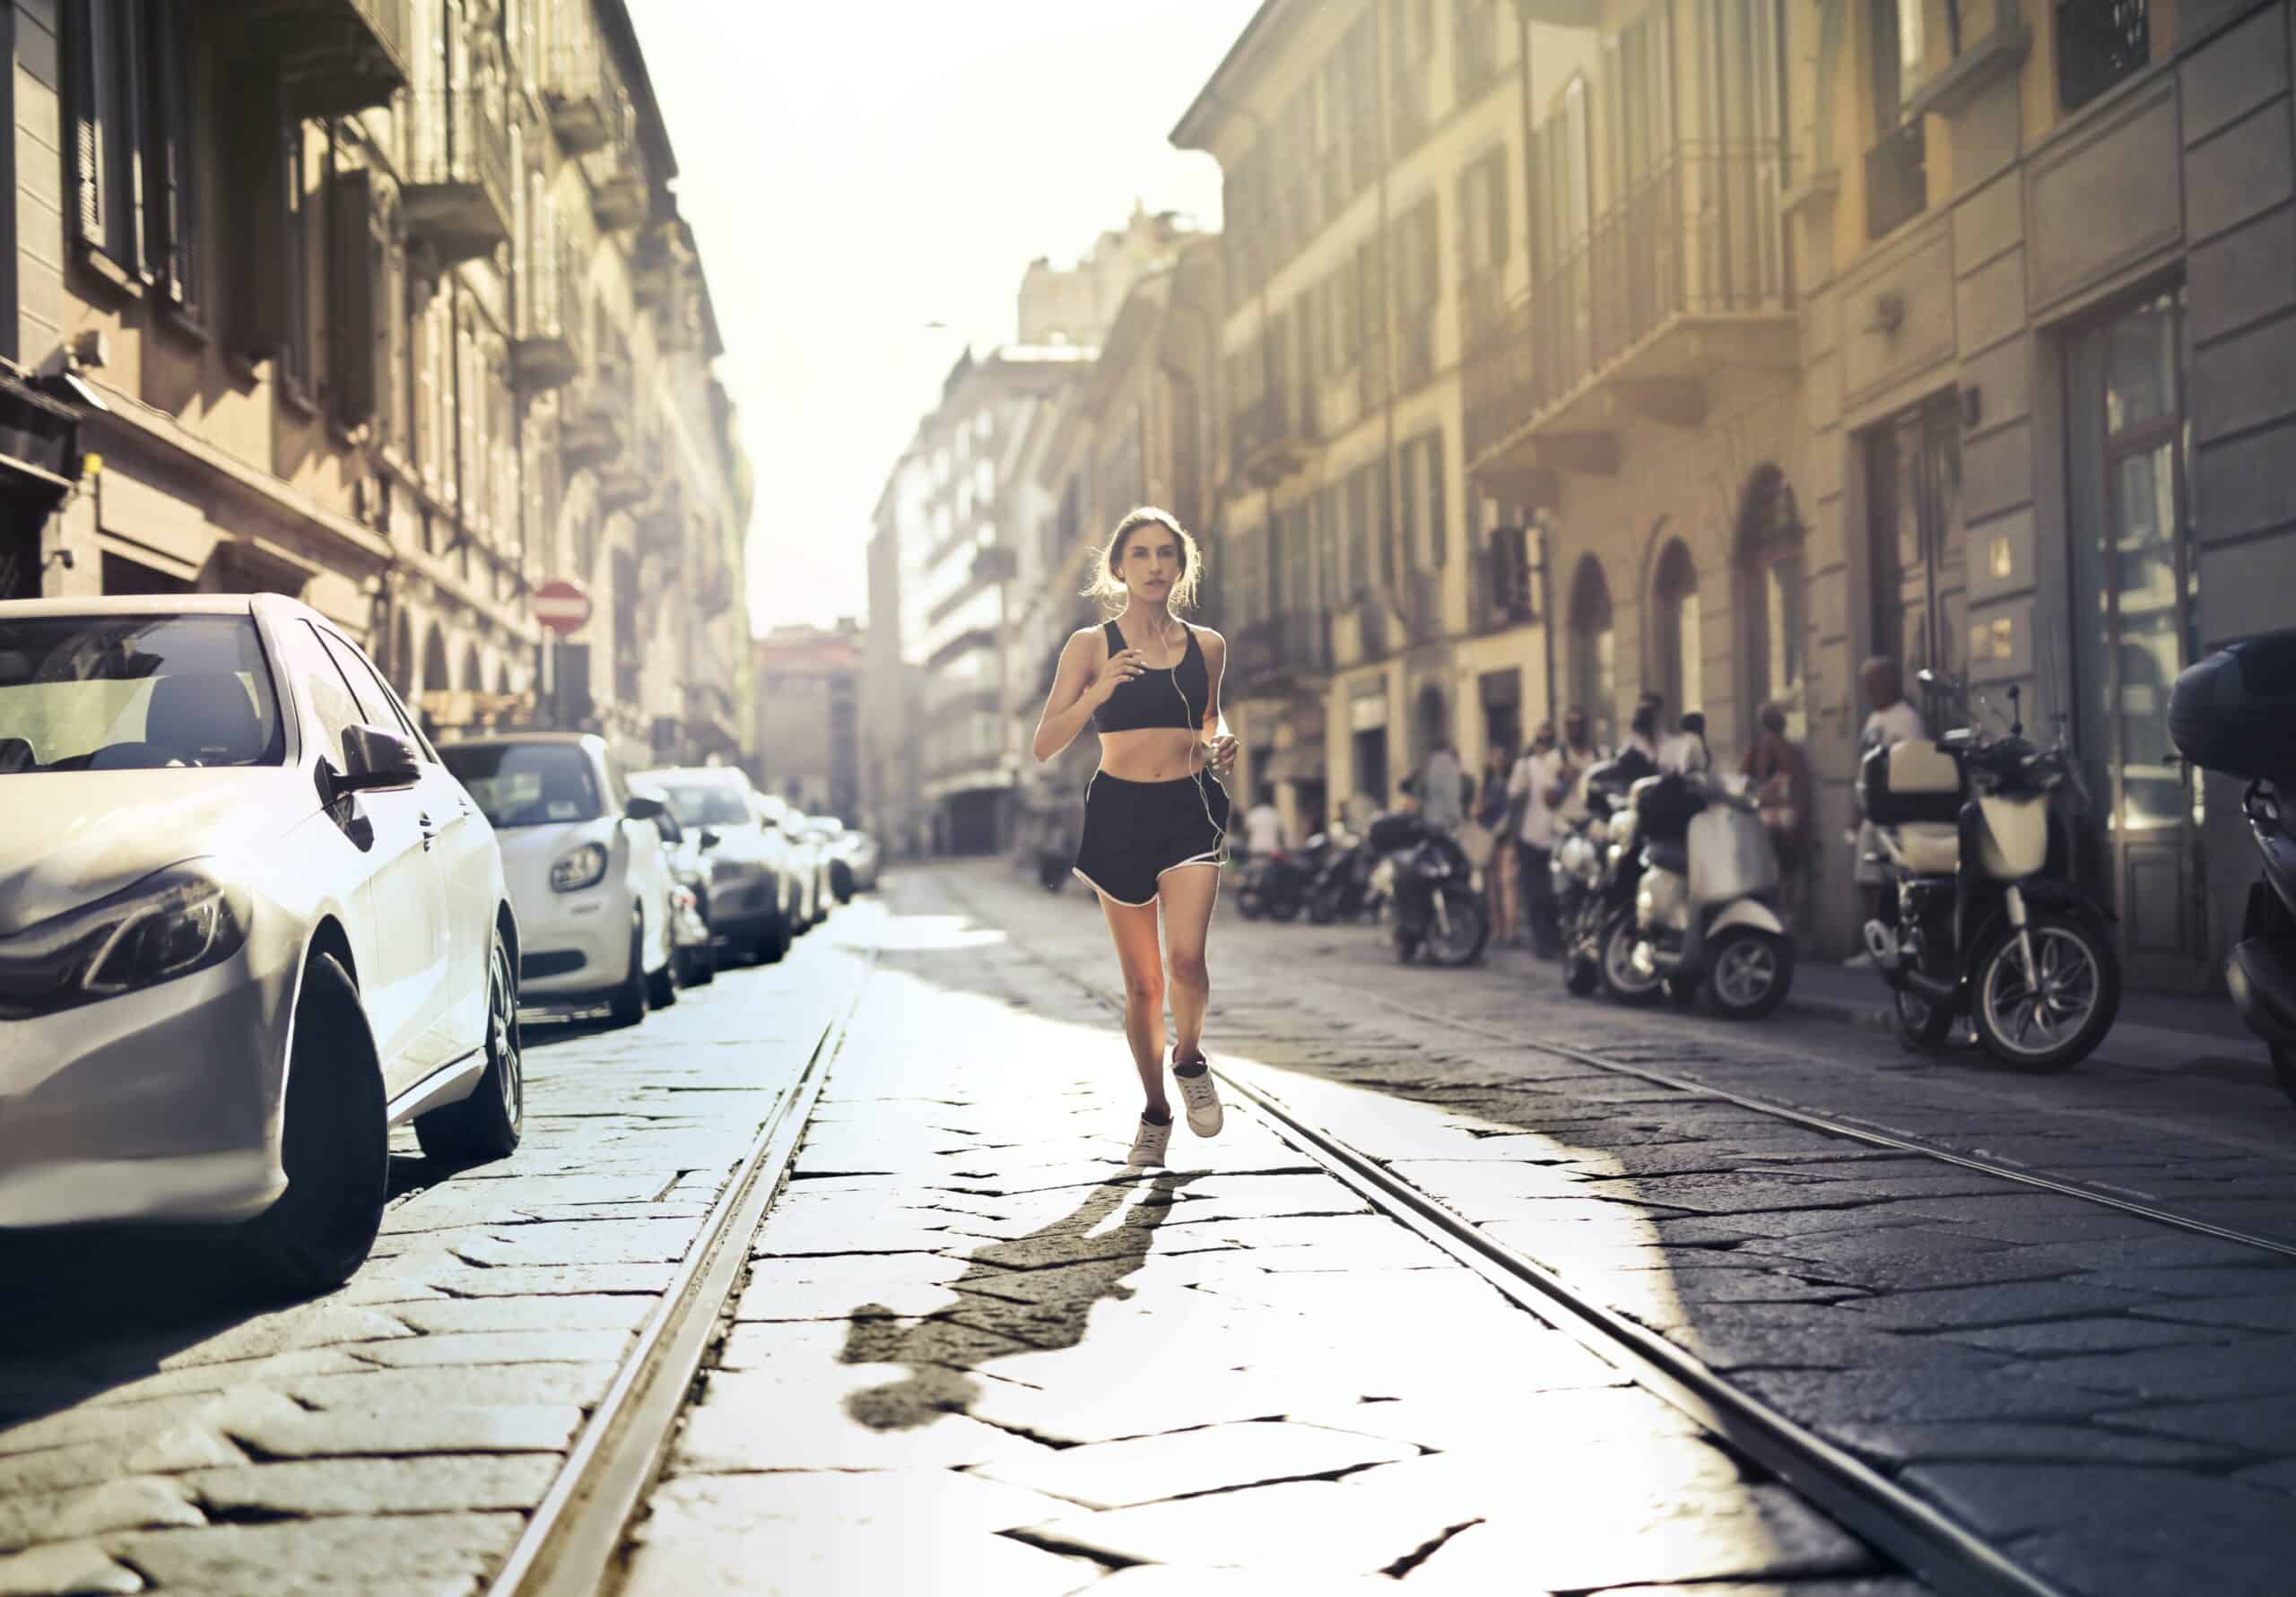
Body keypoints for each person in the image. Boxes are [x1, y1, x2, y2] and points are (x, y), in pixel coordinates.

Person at [1032, 507, 1238, 1165]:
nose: (1155, 566)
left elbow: (1207, 718)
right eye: (1141, 554)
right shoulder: (1089, 646)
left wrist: (1220, 742)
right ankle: (1154, 1111)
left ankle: (1189, 1056)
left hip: (1189, 807)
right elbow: (1044, 743)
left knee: (1187, 963)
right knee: (1145, 986)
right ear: (1119, 568)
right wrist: (1097, 694)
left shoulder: (1208, 646)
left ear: (1181, 567)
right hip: (1118, 812)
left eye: (1166, 555)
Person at [1848, 655, 1926, 968]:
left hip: (1898, 813)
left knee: (1899, 880)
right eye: (1868, 684)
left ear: (1892, 682)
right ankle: (1877, 945)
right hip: (1872, 814)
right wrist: (1857, 810)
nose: (1871, 689)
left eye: (1876, 682)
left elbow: (1917, 762)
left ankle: (1904, 943)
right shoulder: (1873, 719)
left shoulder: (1906, 719)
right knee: (1868, 879)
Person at [1743, 701, 1814, 931]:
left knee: (1771, 873)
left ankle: (1775, 920)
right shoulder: (1791, 750)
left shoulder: (1758, 750)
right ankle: (1785, 921)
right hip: (1786, 820)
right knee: (1787, 874)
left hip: (1767, 821)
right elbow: (1801, 786)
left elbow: (1741, 782)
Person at [1508, 721, 1569, 959]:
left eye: (1548, 740)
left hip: (1556, 835)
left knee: (1554, 893)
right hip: (1530, 836)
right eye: (1540, 741)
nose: (1544, 745)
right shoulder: (1527, 765)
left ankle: (1555, 939)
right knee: (1535, 893)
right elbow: (1513, 793)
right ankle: (1542, 941)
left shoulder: (1559, 762)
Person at [1475, 744, 1518, 946]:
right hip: (1493, 837)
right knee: (1496, 885)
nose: (1495, 762)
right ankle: (1501, 930)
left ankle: (1505, 930)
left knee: (1501, 884)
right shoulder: (1493, 783)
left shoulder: (1499, 785)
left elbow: (1480, 809)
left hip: (1497, 836)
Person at [1244, 788, 1284, 858]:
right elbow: (1281, 833)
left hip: (1256, 848)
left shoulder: (1253, 813)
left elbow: (1247, 832)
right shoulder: (1275, 813)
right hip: (1272, 848)